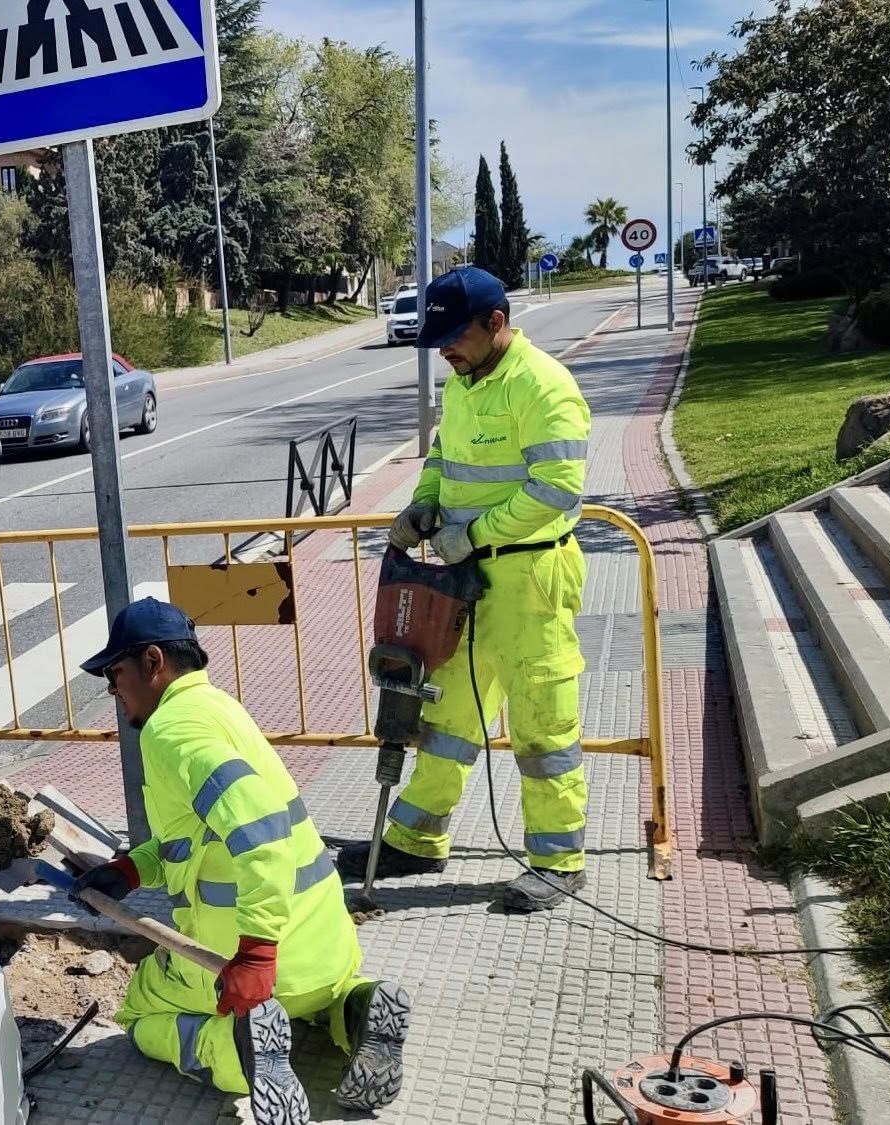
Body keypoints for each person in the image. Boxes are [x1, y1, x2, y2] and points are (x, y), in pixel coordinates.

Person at [75, 597, 410, 1122]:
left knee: (138, 1010)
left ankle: (235, 1053)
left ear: (153, 661)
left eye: (115, 674)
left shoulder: (170, 730)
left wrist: (254, 955)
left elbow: (259, 828)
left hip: (249, 968)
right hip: (326, 953)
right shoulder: (221, 708)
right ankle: (356, 1006)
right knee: (319, 1000)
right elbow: (194, 839)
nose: (113, 691)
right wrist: (129, 870)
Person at [335, 265, 593, 913]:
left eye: (455, 336)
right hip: (462, 581)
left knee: (541, 723)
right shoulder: (463, 382)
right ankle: (417, 839)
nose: (445, 350)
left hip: (529, 580)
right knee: (446, 714)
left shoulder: (543, 385)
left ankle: (558, 860)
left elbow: (556, 489)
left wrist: (473, 534)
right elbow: (442, 459)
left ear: (496, 323)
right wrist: (422, 504)